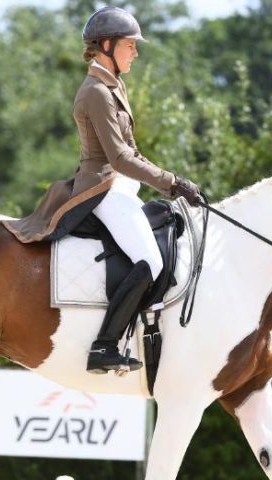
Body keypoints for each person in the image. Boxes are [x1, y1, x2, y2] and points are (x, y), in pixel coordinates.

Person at [75, 6, 202, 375]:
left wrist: (170, 183)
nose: (135, 52)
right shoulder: (96, 92)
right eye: (130, 45)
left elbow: (133, 151)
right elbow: (119, 157)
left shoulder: (115, 86)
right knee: (151, 260)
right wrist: (172, 182)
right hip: (101, 188)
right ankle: (105, 346)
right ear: (107, 45)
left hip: (122, 187)